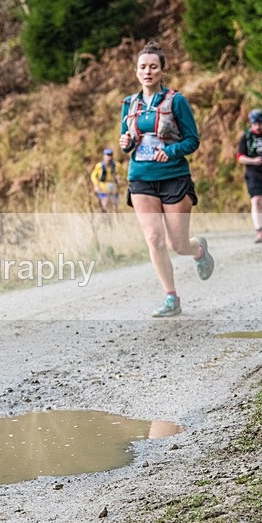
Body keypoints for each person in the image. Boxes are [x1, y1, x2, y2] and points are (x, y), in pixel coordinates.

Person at [119, 42, 214, 318]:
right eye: (142, 67)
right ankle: (171, 297)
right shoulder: (129, 104)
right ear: (136, 72)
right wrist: (125, 142)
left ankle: (198, 250)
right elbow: (128, 140)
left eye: (153, 67)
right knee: (153, 238)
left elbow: (192, 140)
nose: (147, 71)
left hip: (173, 177)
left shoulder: (177, 101)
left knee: (178, 244)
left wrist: (169, 151)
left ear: (162, 71)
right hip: (141, 178)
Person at [237, 108, 262, 244]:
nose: (257, 126)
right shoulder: (246, 137)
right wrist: (253, 161)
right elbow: (240, 157)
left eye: (260, 123)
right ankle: (259, 231)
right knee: (256, 200)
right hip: (253, 174)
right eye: (255, 124)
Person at [89, 148, 123, 212]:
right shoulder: (99, 166)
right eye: (107, 155)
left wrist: (120, 178)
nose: (109, 157)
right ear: (104, 156)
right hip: (103, 188)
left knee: (114, 206)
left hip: (114, 188)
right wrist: (96, 185)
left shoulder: (117, 165)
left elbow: (124, 175)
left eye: (110, 155)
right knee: (104, 205)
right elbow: (93, 176)